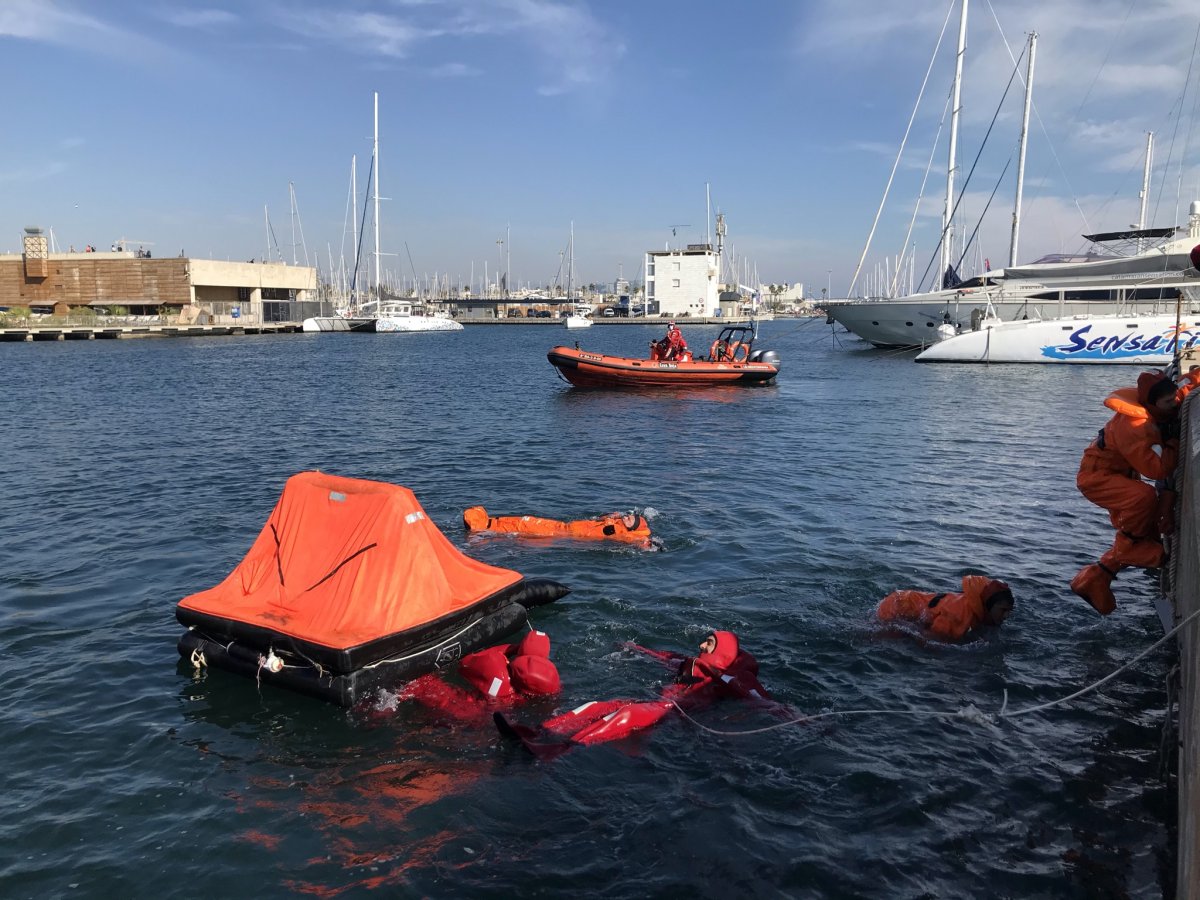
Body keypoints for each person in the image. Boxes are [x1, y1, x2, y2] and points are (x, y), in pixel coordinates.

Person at [494, 630, 782, 758]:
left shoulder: (727, 677)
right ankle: (538, 732)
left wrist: (797, 718)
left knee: (627, 714)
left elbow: (762, 700)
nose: (702, 646)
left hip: (672, 714)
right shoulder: (689, 664)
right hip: (659, 705)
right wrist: (634, 648)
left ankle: (559, 749)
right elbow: (663, 657)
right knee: (598, 705)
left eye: (709, 643)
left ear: (722, 651)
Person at [1070, 369, 1198, 614]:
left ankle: (1095, 577)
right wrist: (1171, 443)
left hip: (1116, 474)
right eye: (1168, 403)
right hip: (1096, 478)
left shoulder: (1161, 404)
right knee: (1144, 497)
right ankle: (1128, 549)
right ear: (1152, 404)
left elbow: (1183, 391)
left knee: (1148, 530)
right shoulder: (1133, 425)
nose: (1175, 405)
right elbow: (1157, 470)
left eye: (1174, 399)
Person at [390, 629, 561, 722]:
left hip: (467, 710)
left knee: (418, 684)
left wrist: (511, 648)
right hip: (490, 716)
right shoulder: (549, 682)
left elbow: (466, 663)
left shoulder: (499, 674)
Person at [876, 575, 1014, 641]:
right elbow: (929, 639)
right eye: (1003, 610)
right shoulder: (958, 615)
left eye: (1009, 611)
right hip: (896, 605)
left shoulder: (977, 608)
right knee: (887, 636)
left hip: (904, 598)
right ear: (988, 605)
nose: (1006, 616)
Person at [463, 506, 652, 545]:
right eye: (629, 516)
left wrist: (649, 544)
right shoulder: (615, 521)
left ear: (632, 527)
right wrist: (611, 515)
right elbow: (599, 518)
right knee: (525, 521)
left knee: (524, 525)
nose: (627, 517)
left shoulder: (622, 533)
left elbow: (640, 539)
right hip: (563, 527)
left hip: (560, 535)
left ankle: (480, 527)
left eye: (630, 520)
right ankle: (486, 523)